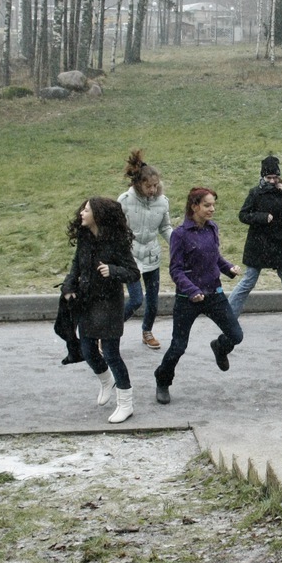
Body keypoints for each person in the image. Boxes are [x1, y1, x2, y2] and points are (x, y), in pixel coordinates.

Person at [154, 188, 243, 405]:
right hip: (188, 299)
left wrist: (229, 269)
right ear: (194, 206)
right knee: (178, 346)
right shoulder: (180, 234)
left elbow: (215, 258)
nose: (212, 209)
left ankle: (219, 347)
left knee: (235, 335)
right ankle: (163, 380)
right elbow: (175, 270)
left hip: (214, 294)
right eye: (207, 205)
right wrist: (192, 290)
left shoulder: (212, 228)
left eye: (213, 205)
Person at [64, 197, 140, 424]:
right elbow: (76, 266)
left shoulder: (116, 241)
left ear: (98, 215)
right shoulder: (85, 237)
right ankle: (107, 380)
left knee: (111, 353)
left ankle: (126, 403)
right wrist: (68, 287)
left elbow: (133, 273)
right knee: (87, 349)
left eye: (86, 210)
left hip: (109, 304)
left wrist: (113, 270)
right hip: (87, 301)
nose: (81, 213)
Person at [228, 156, 282, 324]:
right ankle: (228, 316)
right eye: (268, 178)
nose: (272, 181)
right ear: (263, 176)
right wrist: (261, 217)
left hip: (281, 242)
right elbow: (243, 215)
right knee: (248, 281)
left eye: (275, 177)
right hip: (259, 242)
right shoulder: (255, 193)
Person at [118, 149, 172, 350]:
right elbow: (116, 228)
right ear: (138, 184)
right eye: (148, 186)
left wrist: (177, 243)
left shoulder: (162, 202)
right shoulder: (125, 200)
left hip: (152, 255)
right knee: (135, 300)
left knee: (153, 300)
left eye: (155, 185)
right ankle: (110, 330)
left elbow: (165, 227)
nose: (152, 190)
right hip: (130, 256)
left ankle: (147, 331)